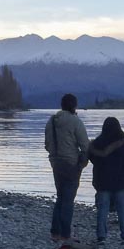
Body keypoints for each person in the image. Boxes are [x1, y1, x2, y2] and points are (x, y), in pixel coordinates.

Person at [44, 93, 89, 241]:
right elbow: (85, 145)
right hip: (71, 164)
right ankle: (65, 235)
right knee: (68, 200)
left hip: (55, 164)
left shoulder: (51, 121)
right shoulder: (76, 122)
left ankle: (55, 233)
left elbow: (47, 145)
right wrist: (82, 161)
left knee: (60, 197)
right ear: (74, 106)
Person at [89, 116, 124, 244]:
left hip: (102, 182)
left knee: (102, 209)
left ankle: (101, 236)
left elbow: (92, 158)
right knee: (122, 209)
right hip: (121, 181)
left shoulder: (97, 143)